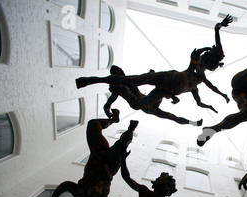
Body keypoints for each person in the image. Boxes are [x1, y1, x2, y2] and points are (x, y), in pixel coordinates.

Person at [75, 16, 233, 126]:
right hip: (165, 77)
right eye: (205, 57)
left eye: (208, 61)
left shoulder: (196, 85)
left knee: (137, 105)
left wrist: (215, 102)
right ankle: (89, 80)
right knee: (132, 80)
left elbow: (202, 99)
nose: (205, 60)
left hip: (163, 90)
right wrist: (219, 27)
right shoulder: (193, 68)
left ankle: (122, 89)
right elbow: (206, 44)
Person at [40, 110, 139, 197]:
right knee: (121, 145)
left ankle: (113, 120)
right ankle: (131, 129)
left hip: (97, 153)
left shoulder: (79, 193)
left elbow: (64, 186)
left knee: (93, 124)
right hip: (110, 164)